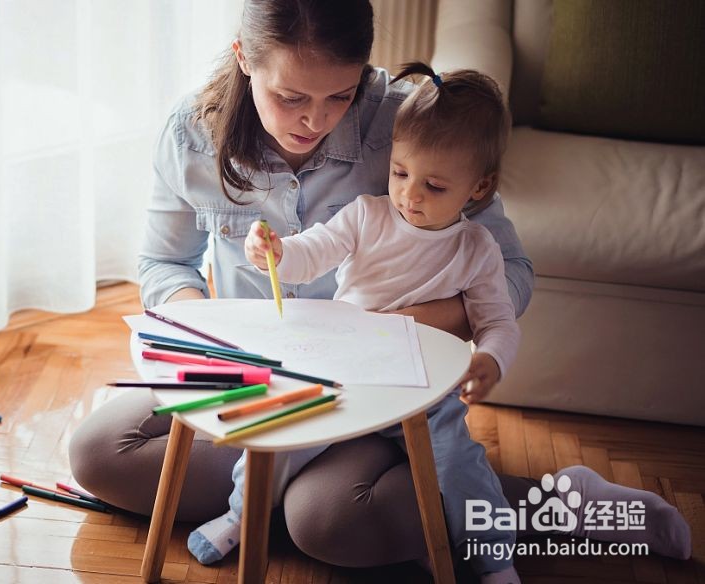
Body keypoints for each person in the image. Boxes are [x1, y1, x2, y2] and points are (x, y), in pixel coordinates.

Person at [69, 0, 691, 574]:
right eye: (290, 96)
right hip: (254, 382)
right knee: (100, 450)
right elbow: (163, 265)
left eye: (340, 95)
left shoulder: (411, 125)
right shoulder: (192, 131)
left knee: (328, 521)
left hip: (374, 393)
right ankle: (306, 499)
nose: (315, 120)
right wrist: (215, 342)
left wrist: (415, 322)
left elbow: (510, 276)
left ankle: (554, 506)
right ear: (243, 57)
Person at [191, 63, 521, 583]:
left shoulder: (477, 249)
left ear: (479, 187)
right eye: (400, 172)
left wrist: (490, 358)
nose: (410, 195)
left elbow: (498, 319)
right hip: (347, 373)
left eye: (434, 186)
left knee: (461, 465)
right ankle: (240, 514)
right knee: (279, 429)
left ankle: (495, 559)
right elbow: (313, 253)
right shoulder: (367, 215)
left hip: (426, 392)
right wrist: (275, 252)